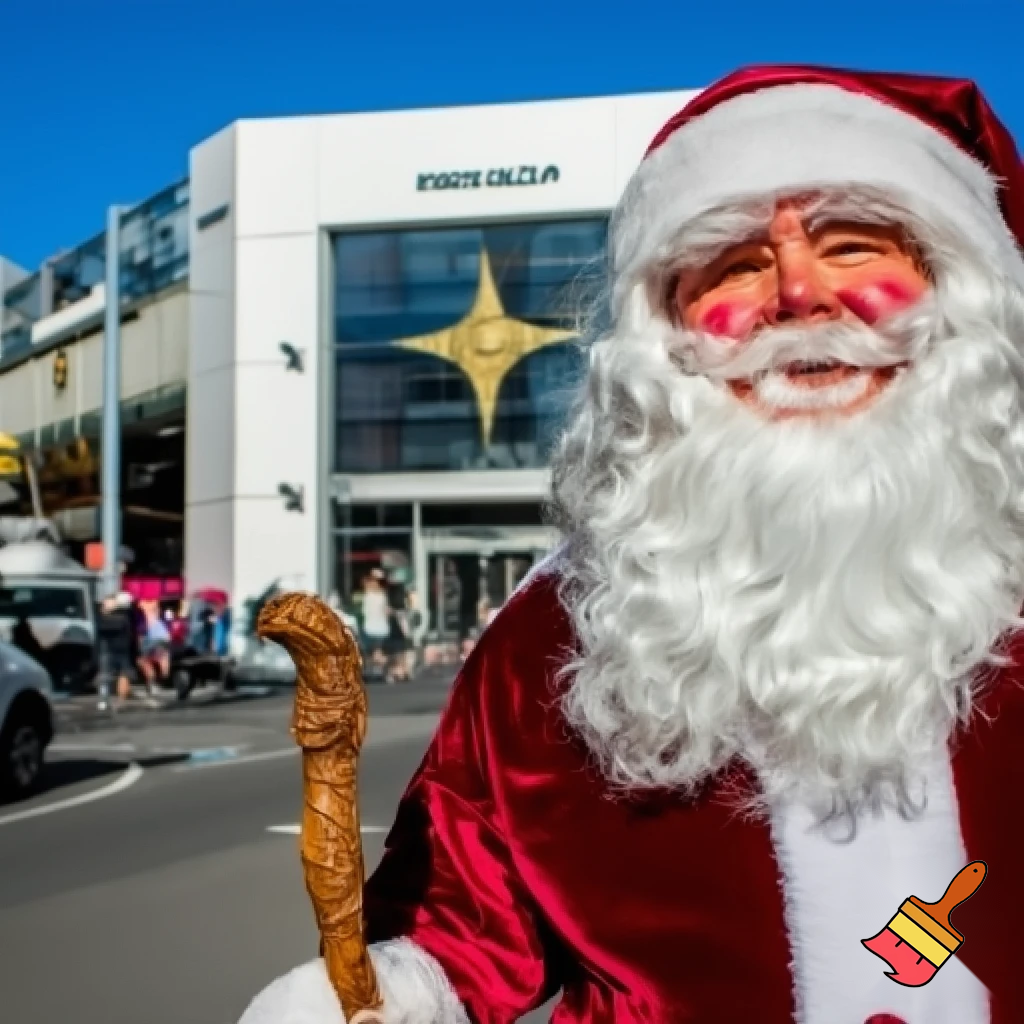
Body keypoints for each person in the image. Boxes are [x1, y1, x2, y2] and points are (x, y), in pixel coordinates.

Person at [238, 65, 1024, 1024]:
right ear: (669, 334)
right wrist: (400, 993)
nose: (797, 294)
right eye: (735, 267)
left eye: (853, 246)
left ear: (959, 291)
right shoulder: (572, 621)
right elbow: (465, 907)